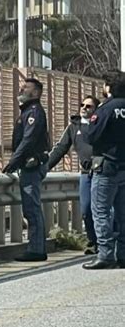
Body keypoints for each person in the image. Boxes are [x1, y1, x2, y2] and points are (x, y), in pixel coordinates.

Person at [3, 78, 50, 262]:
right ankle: (36, 247)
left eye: (26, 87)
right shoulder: (26, 112)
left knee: (32, 208)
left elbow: (28, 140)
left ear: (36, 92)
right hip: (28, 165)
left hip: (32, 165)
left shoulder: (34, 112)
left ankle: (37, 249)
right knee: (31, 208)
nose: (21, 88)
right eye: (22, 85)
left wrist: (13, 162)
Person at [82, 72, 125, 270]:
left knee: (100, 211)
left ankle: (106, 254)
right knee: (122, 213)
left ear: (108, 87)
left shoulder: (106, 109)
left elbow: (91, 136)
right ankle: (123, 254)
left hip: (107, 166)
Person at [48, 95, 100, 254]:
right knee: (86, 209)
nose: (84, 108)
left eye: (89, 106)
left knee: (103, 210)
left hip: (102, 172)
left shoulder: (100, 125)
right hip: (86, 173)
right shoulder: (74, 127)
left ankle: (107, 243)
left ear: (96, 110)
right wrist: (45, 167)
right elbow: (61, 148)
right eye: (82, 104)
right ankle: (93, 241)